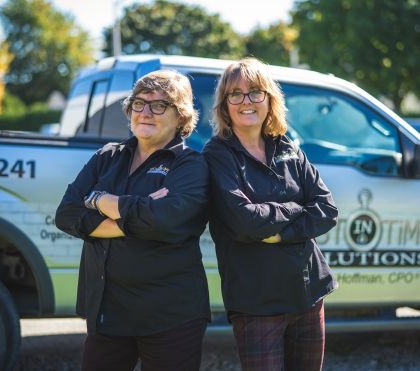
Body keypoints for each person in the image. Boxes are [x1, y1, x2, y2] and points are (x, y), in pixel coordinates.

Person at [55, 70, 210, 371]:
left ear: (181, 116)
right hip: (108, 310)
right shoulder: (107, 157)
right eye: (139, 103)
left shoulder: (191, 165)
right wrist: (138, 213)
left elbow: (165, 221)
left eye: (159, 105)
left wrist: (100, 200)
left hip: (170, 315)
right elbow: (67, 214)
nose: (146, 113)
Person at [202, 58, 338, 371]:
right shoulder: (217, 155)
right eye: (235, 94)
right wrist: (294, 208)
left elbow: (326, 210)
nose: (246, 101)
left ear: (269, 99)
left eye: (255, 93)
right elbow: (245, 221)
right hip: (257, 302)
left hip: (309, 292)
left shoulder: (288, 147)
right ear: (225, 105)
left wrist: (279, 231)